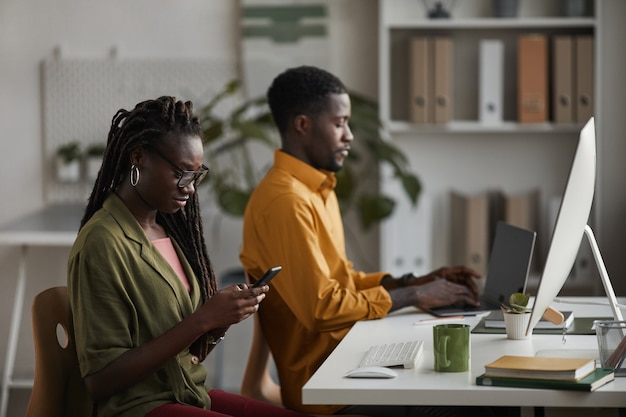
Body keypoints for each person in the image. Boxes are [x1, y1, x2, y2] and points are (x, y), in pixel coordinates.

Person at [239, 66, 507, 417]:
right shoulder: (286, 201)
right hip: (329, 387)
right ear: (303, 125)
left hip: (348, 360)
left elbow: (342, 280)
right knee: (489, 400)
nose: (349, 136)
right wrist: (412, 296)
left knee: (479, 383)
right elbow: (321, 308)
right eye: (339, 124)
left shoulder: (317, 189)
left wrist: (413, 282)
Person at [67, 96, 314, 417]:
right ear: (138, 157)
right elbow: (100, 381)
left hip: (188, 393)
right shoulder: (103, 243)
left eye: (196, 176)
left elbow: (186, 353)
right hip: (139, 407)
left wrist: (219, 322)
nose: (190, 188)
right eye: (182, 173)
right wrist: (203, 319)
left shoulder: (167, 230)